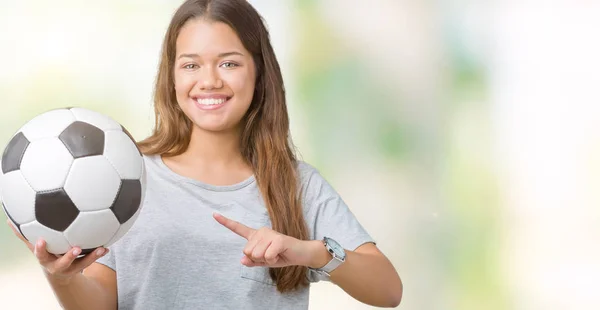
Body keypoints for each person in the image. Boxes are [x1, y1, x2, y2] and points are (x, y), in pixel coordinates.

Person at [8, 0, 402, 308]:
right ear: (173, 77)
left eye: (229, 63)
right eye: (191, 65)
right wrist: (61, 277)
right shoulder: (124, 177)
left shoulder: (296, 185)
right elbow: (102, 304)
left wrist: (311, 252)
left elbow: (388, 290)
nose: (209, 81)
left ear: (259, 73)